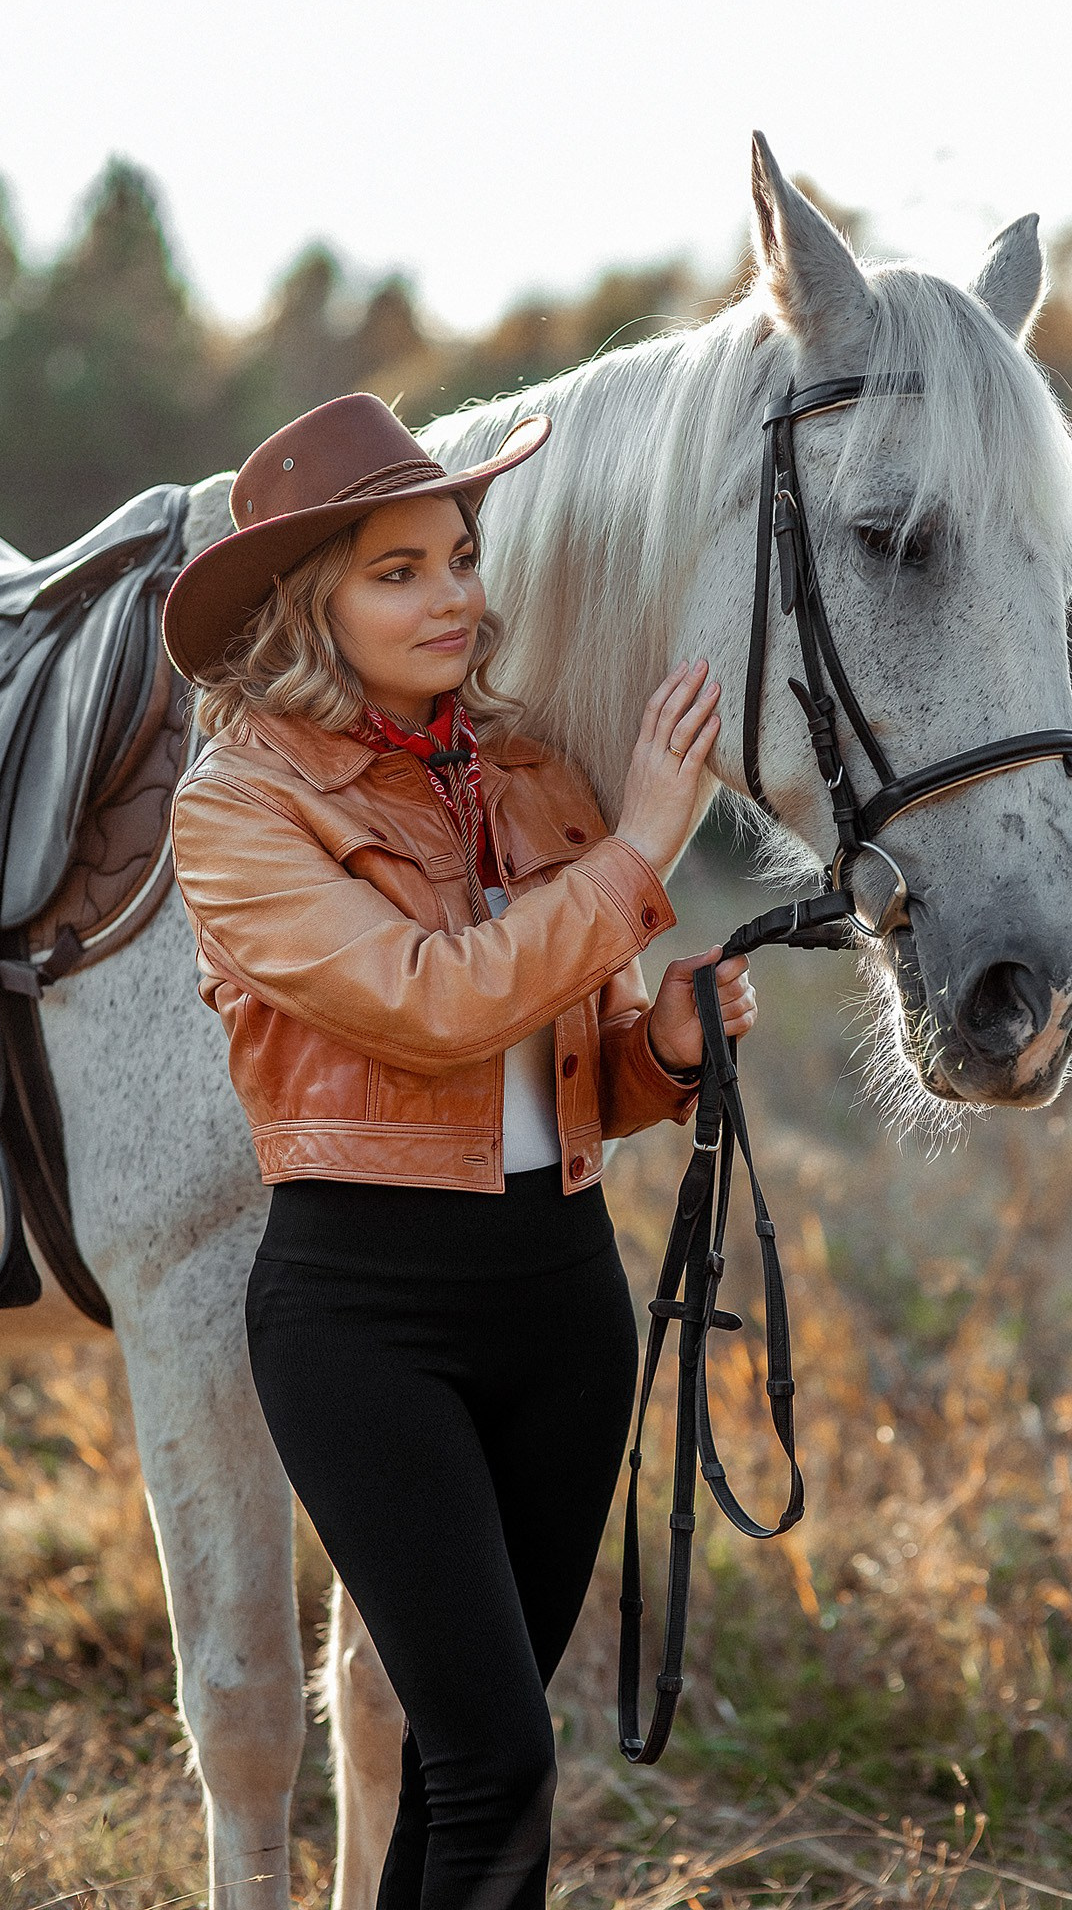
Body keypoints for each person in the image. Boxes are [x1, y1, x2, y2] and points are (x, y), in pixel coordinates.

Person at [162, 393, 756, 1910]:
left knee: (460, 1767)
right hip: (367, 1319)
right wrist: (642, 851)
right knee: (501, 1764)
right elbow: (429, 1008)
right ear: (311, 605)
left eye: (460, 558)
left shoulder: (534, 774)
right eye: (398, 571)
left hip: (563, 1302)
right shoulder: (238, 810)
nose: (453, 598)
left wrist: (668, 1049)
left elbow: (582, 1071)